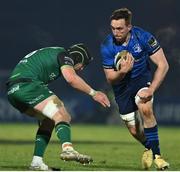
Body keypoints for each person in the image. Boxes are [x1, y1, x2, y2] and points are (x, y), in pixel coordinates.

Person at [6, 43, 110, 171]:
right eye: (83, 64)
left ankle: (36, 162)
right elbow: (71, 79)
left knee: (48, 120)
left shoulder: (53, 53)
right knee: (62, 114)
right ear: (78, 57)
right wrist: (94, 93)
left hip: (13, 92)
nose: (82, 69)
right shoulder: (65, 55)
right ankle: (68, 149)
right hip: (27, 86)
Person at [100, 8, 169, 170]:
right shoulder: (106, 45)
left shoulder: (143, 37)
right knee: (134, 129)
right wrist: (123, 71)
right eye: (113, 28)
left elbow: (163, 64)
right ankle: (150, 147)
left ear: (129, 26)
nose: (115, 32)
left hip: (141, 82)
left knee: (145, 108)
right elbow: (110, 78)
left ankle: (158, 157)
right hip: (121, 88)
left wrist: (151, 89)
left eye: (120, 28)